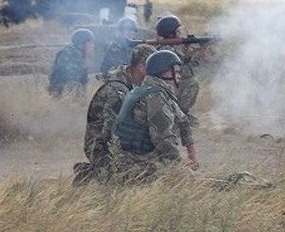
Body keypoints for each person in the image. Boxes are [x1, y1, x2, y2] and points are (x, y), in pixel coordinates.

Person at [113, 50, 198, 181]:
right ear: (165, 73)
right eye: (176, 72)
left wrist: (192, 154)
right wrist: (180, 167)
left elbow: (183, 121)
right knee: (193, 183)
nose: (179, 76)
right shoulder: (155, 97)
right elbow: (164, 140)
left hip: (135, 159)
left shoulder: (151, 90)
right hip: (137, 163)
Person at [83, 44, 156, 170]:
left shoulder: (132, 83)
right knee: (153, 168)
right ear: (141, 66)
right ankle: (92, 173)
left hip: (112, 145)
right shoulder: (118, 91)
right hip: (101, 150)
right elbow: (113, 134)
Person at [155, 15, 201, 119]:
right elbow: (182, 71)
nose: (181, 34)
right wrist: (195, 56)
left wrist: (193, 56)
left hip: (165, 85)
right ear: (171, 34)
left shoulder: (168, 47)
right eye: (178, 31)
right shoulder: (167, 50)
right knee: (191, 83)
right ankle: (178, 115)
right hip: (165, 86)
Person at [48, 29, 93, 97]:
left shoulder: (78, 56)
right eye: (90, 42)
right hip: (62, 99)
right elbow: (70, 84)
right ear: (81, 44)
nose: (93, 45)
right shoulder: (67, 55)